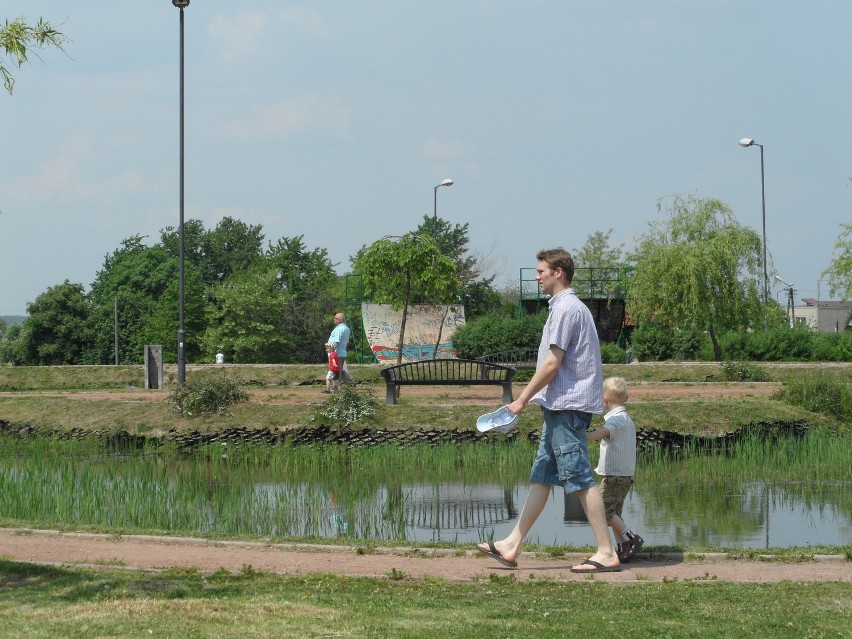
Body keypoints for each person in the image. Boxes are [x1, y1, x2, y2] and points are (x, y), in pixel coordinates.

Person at [476, 248, 621, 573]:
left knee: (580, 477)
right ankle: (511, 545)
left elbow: (552, 363)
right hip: (561, 406)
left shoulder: (567, 308)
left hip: (568, 407)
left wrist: (521, 399)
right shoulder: (567, 307)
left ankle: (606, 551)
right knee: (542, 475)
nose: (537, 275)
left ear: (558, 272)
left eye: (542, 270)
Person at [586, 376, 644, 562]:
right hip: (625, 476)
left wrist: (583, 436)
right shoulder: (627, 419)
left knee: (603, 511)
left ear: (604, 400)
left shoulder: (616, 420)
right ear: (625, 398)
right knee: (615, 514)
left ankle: (631, 537)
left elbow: (603, 433)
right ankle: (623, 548)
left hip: (614, 477)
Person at [328, 312, 354, 385]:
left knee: (336, 371)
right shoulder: (347, 329)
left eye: (335, 318)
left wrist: (331, 352)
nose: (334, 320)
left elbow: (336, 342)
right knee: (339, 370)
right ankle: (347, 383)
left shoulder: (339, 329)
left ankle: (341, 386)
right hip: (342, 353)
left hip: (337, 353)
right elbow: (346, 343)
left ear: (339, 320)